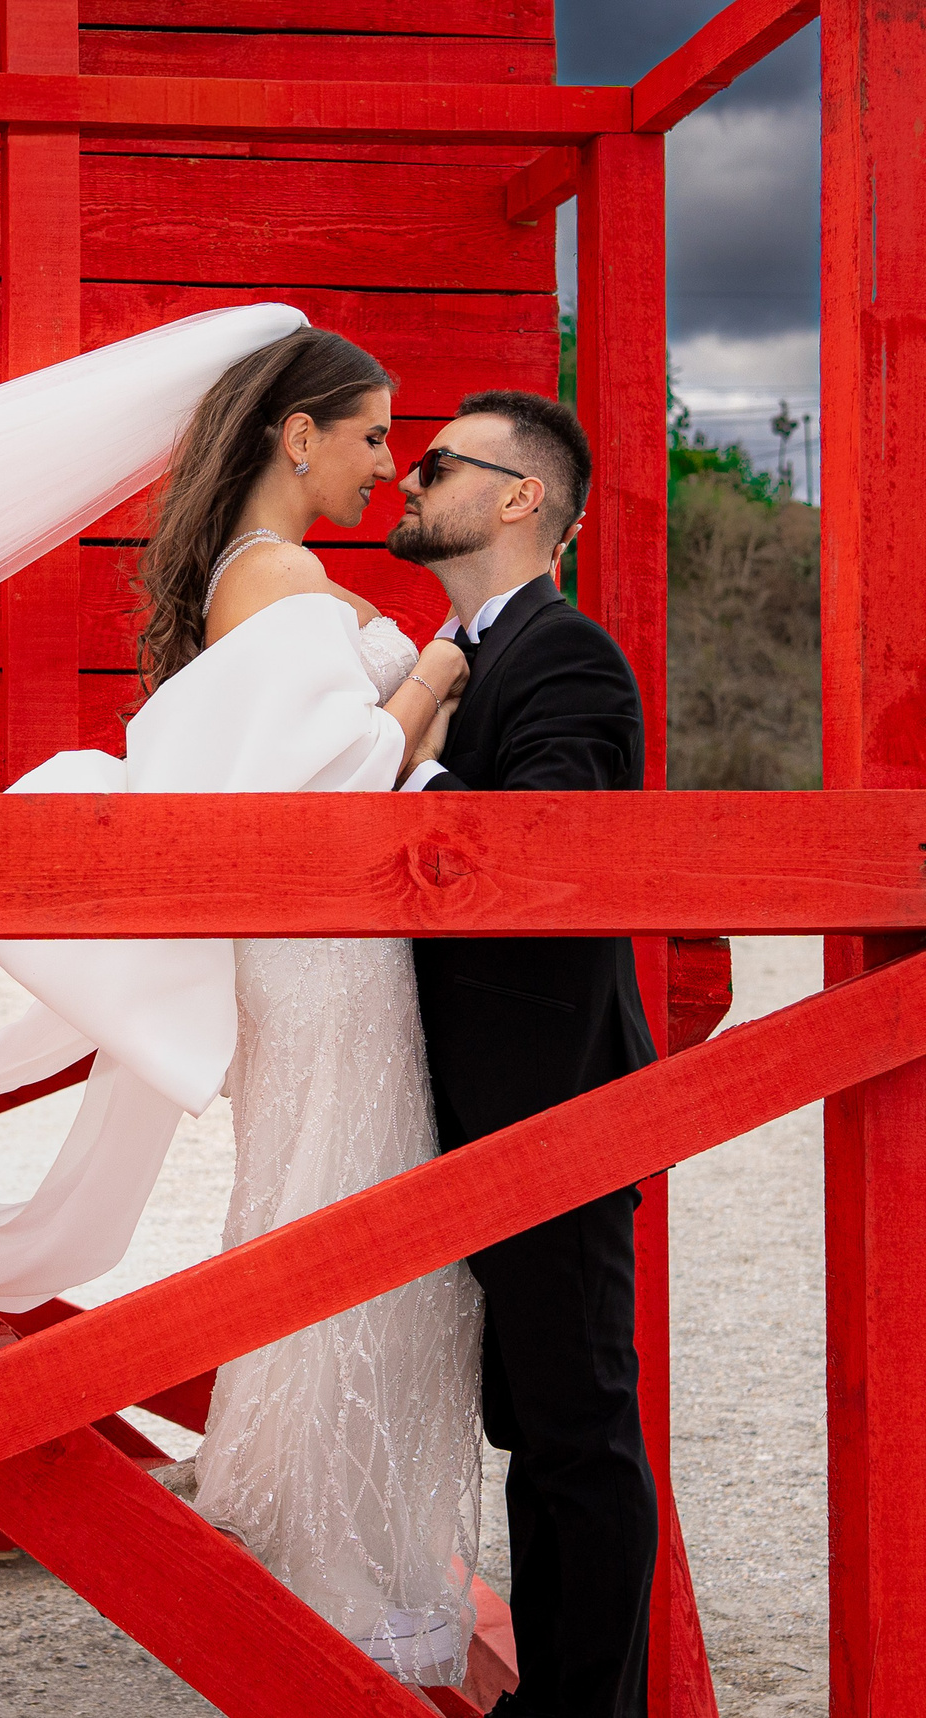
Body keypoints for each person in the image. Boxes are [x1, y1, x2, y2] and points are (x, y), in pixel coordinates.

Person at [130, 328, 485, 1685]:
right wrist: (438, 677)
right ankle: (344, 1585)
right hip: (330, 953)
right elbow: (332, 781)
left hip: (310, 952)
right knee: (353, 1216)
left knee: (316, 1204)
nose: (389, 466)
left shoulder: (254, 576)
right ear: (297, 435)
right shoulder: (281, 580)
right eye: (374, 435)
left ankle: (318, 1550)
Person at [394, 391, 658, 1718]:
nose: (411, 474)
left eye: (437, 461)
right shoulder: (460, 650)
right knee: (533, 1428)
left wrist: (407, 777)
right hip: (490, 1107)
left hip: (557, 1101)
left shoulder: (569, 659)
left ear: (514, 497)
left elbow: (549, 854)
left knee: (579, 1433)